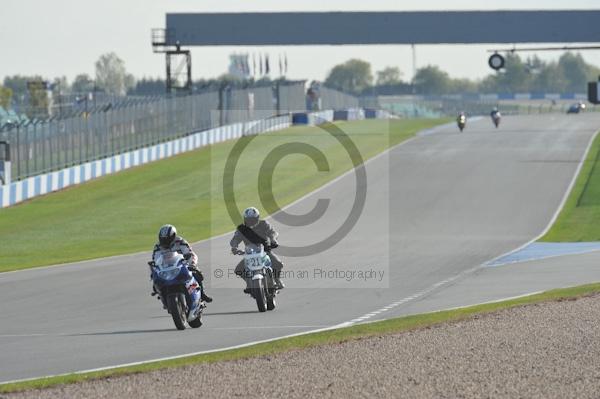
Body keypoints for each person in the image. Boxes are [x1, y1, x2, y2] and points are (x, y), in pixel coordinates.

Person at [151, 224, 212, 303]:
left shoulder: (180, 241)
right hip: (166, 268)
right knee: (155, 279)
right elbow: (155, 260)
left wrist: (192, 264)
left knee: (196, 273)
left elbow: (189, 253)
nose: (165, 241)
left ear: (173, 236)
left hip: (181, 265)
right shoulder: (158, 246)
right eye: (163, 239)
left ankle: (202, 294)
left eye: (167, 239)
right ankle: (162, 294)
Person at [230, 207, 285, 292]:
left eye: (253, 219)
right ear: (245, 219)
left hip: (265, 251)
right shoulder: (242, 228)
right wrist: (234, 247)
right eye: (248, 219)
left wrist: (273, 240)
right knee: (238, 270)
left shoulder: (264, 224)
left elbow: (272, 232)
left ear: (257, 218)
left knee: (278, 264)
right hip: (250, 254)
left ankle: (277, 279)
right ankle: (249, 284)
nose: (250, 222)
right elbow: (235, 238)